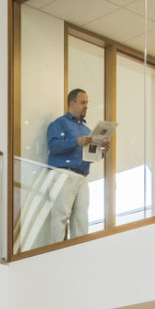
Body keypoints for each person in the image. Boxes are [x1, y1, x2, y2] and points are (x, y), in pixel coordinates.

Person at [46, 89, 105, 241]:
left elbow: (89, 157)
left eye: (87, 103)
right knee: (61, 214)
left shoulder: (87, 130)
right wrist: (76, 142)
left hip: (82, 175)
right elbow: (54, 146)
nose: (86, 106)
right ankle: (56, 250)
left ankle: (79, 251)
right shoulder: (59, 123)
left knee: (81, 217)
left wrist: (102, 150)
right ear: (72, 103)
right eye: (82, 102)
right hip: (64, 173)